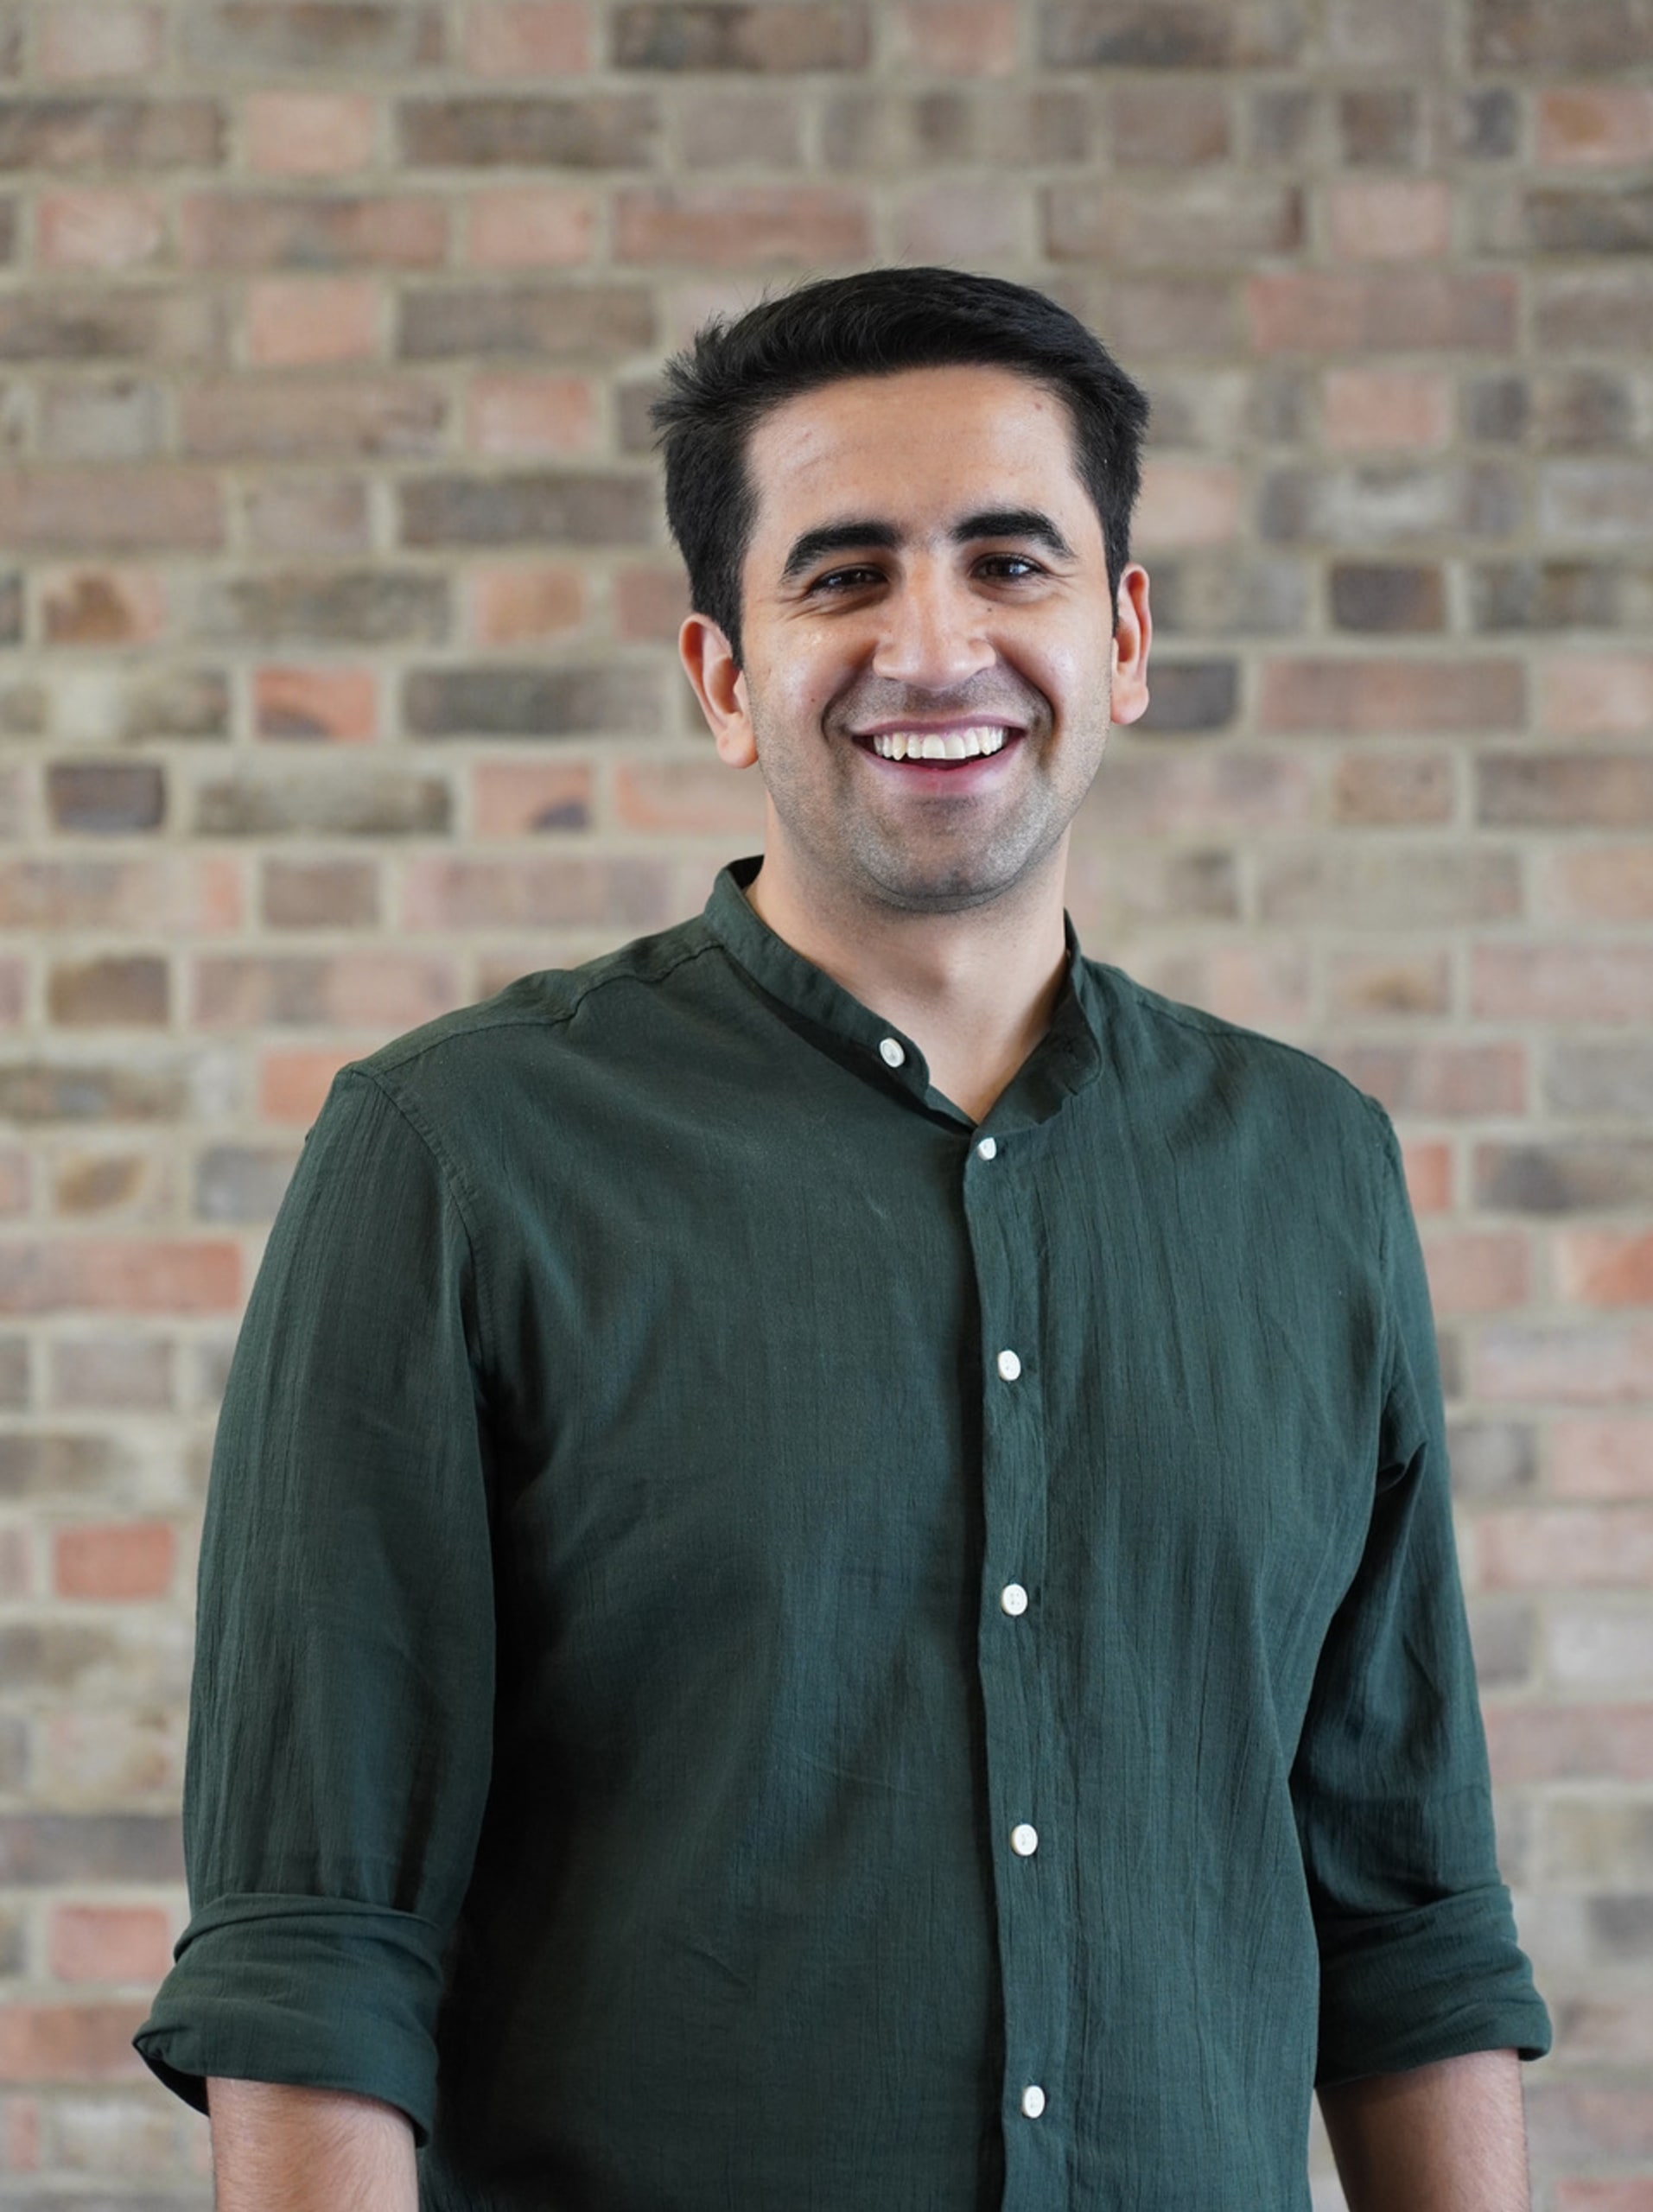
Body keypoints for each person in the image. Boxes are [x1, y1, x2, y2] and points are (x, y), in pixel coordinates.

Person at [137, 267, 1549, 2210]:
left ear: (1122, 635)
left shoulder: (1312, 1170)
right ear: (725, 673)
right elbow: (316, 1950)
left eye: (1010, 561)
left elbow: (1407, 1917)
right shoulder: (456, 1156)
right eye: (844, 575)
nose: (935, 641)